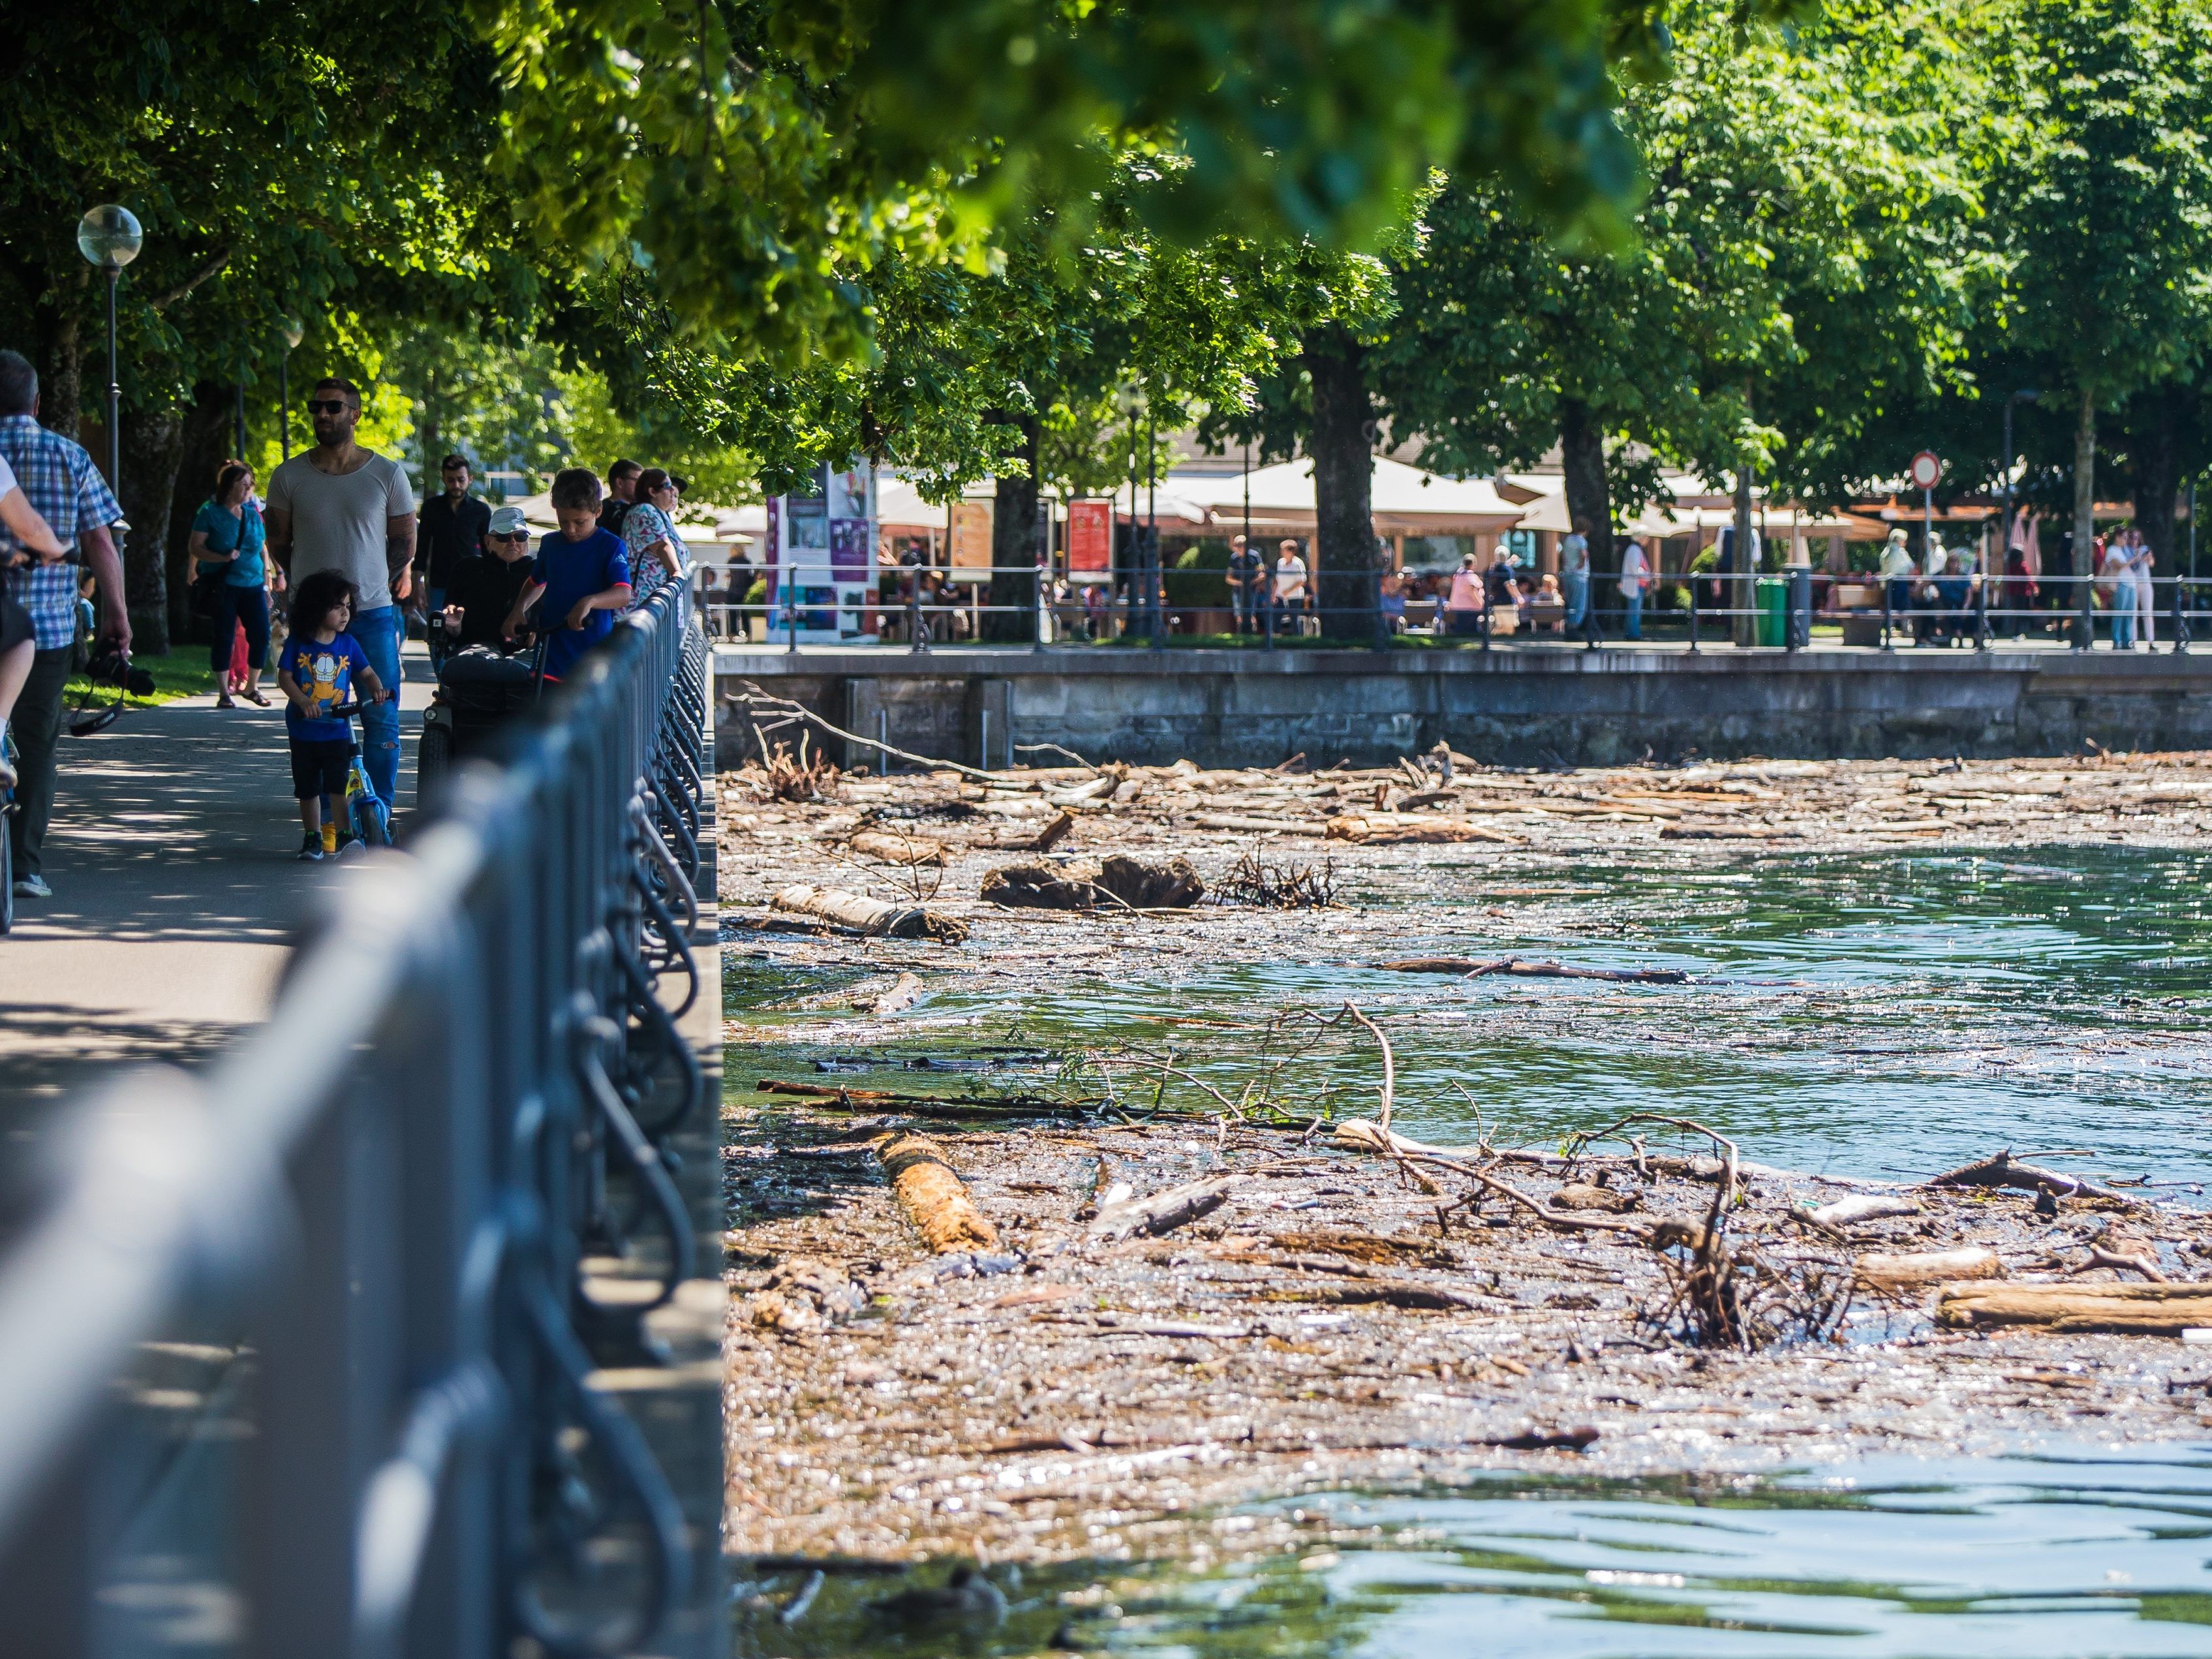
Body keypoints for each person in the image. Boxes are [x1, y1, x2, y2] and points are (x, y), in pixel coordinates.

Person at [0, 350, 130, 900]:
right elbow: (102, 541)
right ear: (36, 402)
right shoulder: (69, 455)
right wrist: (117, 619)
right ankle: (24, 867)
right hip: (48, 629)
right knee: (37, 743)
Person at [266, 376, 417, 814]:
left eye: (333, 407)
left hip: (371, 612)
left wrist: (368, 584)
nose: (322, 415)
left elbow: (404, 539)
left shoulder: (386, 473)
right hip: (311, 620)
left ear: (355, 413)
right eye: (316, 407)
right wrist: (310, 592)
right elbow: (279, 541)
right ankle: (333, 813)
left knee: (381, 711)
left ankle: (378, 810)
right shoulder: (289, 474)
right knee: (319, 712)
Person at [278, 570, 391, 860]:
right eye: (337, 607)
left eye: (348, 606)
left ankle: (344, 836)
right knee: (308, 786)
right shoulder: (299, 644)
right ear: (317, 609)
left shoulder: (349, 644)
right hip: (305, 729)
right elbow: (286, 678)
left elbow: (367, 674)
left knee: (338, 784)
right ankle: (312, 837)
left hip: (337, 729)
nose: (345, 612)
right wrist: (304, 702)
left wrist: (377, 690)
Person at [503, 468, 632, 679]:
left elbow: (623, 594)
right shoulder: (550, 543)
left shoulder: (611, 545)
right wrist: (518, 610)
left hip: (592, 654)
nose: (571, 529)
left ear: (598, 511)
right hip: (551, 652)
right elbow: (537, 581)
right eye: (563, 521)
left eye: (580, 522)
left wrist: (588, 602)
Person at [190, 460, 277, 707]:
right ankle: (224, 693)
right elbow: (195, 547)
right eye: (243, 484)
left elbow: (262, 549)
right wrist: (220, 557)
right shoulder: (209, 513)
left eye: (251, 484)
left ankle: (252, 687)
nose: (248, 489)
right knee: (224, 636)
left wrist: (267, 582)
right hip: (224, 585)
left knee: (261, 634)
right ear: (229, 486)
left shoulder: (252, 515)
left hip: (252, 585)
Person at [415, 454, 489, 660]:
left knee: (468, 631)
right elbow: (421, 548)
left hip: (471, 585)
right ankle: (441, 677)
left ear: (470, 479)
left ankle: (461, 679)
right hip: (439, 583)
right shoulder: (431, 508)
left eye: (461, 479)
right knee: (436, 632)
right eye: (451, 480)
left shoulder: (481, 511)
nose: (456, 485)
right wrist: (417, 583)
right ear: (443, 479)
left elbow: (488, 551)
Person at [439, 505, 540, 650]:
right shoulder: (468, 569)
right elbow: (453, 629)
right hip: (474, 653)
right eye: (503, 537)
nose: (513, 542)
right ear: (488, 541)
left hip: (527, 655)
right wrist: (454, 626)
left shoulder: (539, 571)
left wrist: (538, 633)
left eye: (520, 537)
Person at [620, 467, 689, 609]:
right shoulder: (644, 511)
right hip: (643, 605)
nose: (673, 491)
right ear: (652, 491)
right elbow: (662, 546)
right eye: (668, 487)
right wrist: (677, 575)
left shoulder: (660, 513)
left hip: (657, 603)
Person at [2099, 535, 2136, 648]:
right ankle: (2116, 640)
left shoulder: (2127, 550)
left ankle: (2128, 640)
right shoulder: (2112, 550)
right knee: (2119, 612)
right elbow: (2119, 565)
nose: (2125, 540)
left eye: (2126, 538)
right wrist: (2135, 559)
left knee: (2129, 614)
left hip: (2132, 584)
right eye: (2123, 537)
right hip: (2121, 584)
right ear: (2117, 537)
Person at [1227, 534, 1265, 635]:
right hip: (1237, 591)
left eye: (1241, 546)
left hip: (1252, 591)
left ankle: (1253, 634)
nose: (1239, 549)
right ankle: (1241, 635)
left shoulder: (1255, 556)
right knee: (1239, 615)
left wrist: (1252, 582)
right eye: (1237, 546)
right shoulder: (1233, 558)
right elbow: (1228, 578)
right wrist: (1240, 583)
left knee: (1251, 614)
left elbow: (1262, 574)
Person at [1877, 528, 1916, 626]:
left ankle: (1890, 628)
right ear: (1900, 540)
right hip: (1900, 583)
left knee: (1890, 606)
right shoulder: (1900, 552)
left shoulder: (1886, 552)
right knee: (1901, 607)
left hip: (1888, 583)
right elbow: (1911, 566)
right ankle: (1902, 627)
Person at [1444, 550, 1486, 637]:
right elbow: (1473, 590)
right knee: (1470, 632)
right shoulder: (1470, 576)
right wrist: (1481, 603)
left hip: (1457, 607)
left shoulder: (1457, 575)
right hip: (1470, 608)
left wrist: (1451, 603)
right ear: (1473, 564)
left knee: (1460, 631)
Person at [1559, 520, 1591, 633]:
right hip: (1579, 576)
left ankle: (1569, 625)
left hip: (1568, 574)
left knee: (1570, 602)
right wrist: (1581, 566)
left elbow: (1562, 555)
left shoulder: (1568, 539)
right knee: (1580, 604)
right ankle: (1574, 627)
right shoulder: (1581, 541)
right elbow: (1583, 554)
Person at [598, 459, 641, 538]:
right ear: (619, 483)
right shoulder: (601, 511)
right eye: (637, 480)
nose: (642, 484)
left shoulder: (638, 509)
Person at [2128, 527, 2157, 648]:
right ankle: (2132, 640)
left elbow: (2152, 563)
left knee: (2148, 613)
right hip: (2133, 583)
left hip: (2145, 583)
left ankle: (2150, 640)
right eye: (2133, 538)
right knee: (2133, 613)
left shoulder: (2144, 549)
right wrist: (2138, 558)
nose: (2135, 540)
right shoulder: (2127, 551)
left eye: (2137, 538)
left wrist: (2148, 558)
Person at [1619, 535, 1651, 639]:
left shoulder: (1635, 549)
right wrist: (1648, 576)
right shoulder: (1635, 550)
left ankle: (1632, 633)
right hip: (1636, 585)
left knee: (1634, 610)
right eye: (1646, 537)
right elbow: (1635, 569)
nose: (1647, 539)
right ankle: (1633, 634)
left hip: (1638, 585)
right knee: (1634, 611)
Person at [1273, 539, 1308, 632]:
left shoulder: (1298, 563)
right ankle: (1275, 638)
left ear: (1291, 551)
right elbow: (1277, 580)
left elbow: (1302, 581)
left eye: (1284, 550)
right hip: (1281, 595)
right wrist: (1273, 594)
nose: (1282, 552)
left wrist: (1289, 590)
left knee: (1294, 618)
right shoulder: (1280, 562)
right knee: (1276, 616)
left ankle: (1297, 639)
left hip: (1294, 596)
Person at [1379, 568, 1409, 633]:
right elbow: (1382, 614)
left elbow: (1407, 615)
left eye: (1394, 584)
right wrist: (1395, 618)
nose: (1394, 586)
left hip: (1403, 627)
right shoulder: (1381, 599)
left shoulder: (1403, 599)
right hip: (1387, 627)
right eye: (1391, 584)